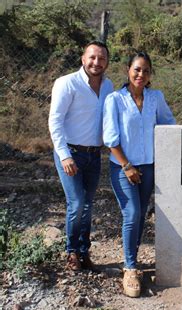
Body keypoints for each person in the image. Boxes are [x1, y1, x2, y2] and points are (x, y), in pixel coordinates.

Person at [103, 51, 176, 297]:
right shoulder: (115, 99)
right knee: (132, 213)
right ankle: (130, 267)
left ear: (150, 74)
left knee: (141, 214)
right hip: (123, 167)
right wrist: (127, 166)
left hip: (148, 166)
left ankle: (132, 260)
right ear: (128, 70)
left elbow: (168, 123)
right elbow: (110, 138)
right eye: (137, 69)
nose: (141, 74)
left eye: (145, 70)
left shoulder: (156, 97)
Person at [49, 40, 114, 271]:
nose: (97, 62)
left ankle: (84, 251)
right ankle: (71, 252)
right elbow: (55, 121)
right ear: (83, 59)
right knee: (76, 202)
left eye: (102, 58)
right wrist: (65, 155)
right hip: (70, 153)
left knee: (87, 205)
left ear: (107, 61)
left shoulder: (109, 86)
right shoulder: (67, 83)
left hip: (94, 156)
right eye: (92, 57)